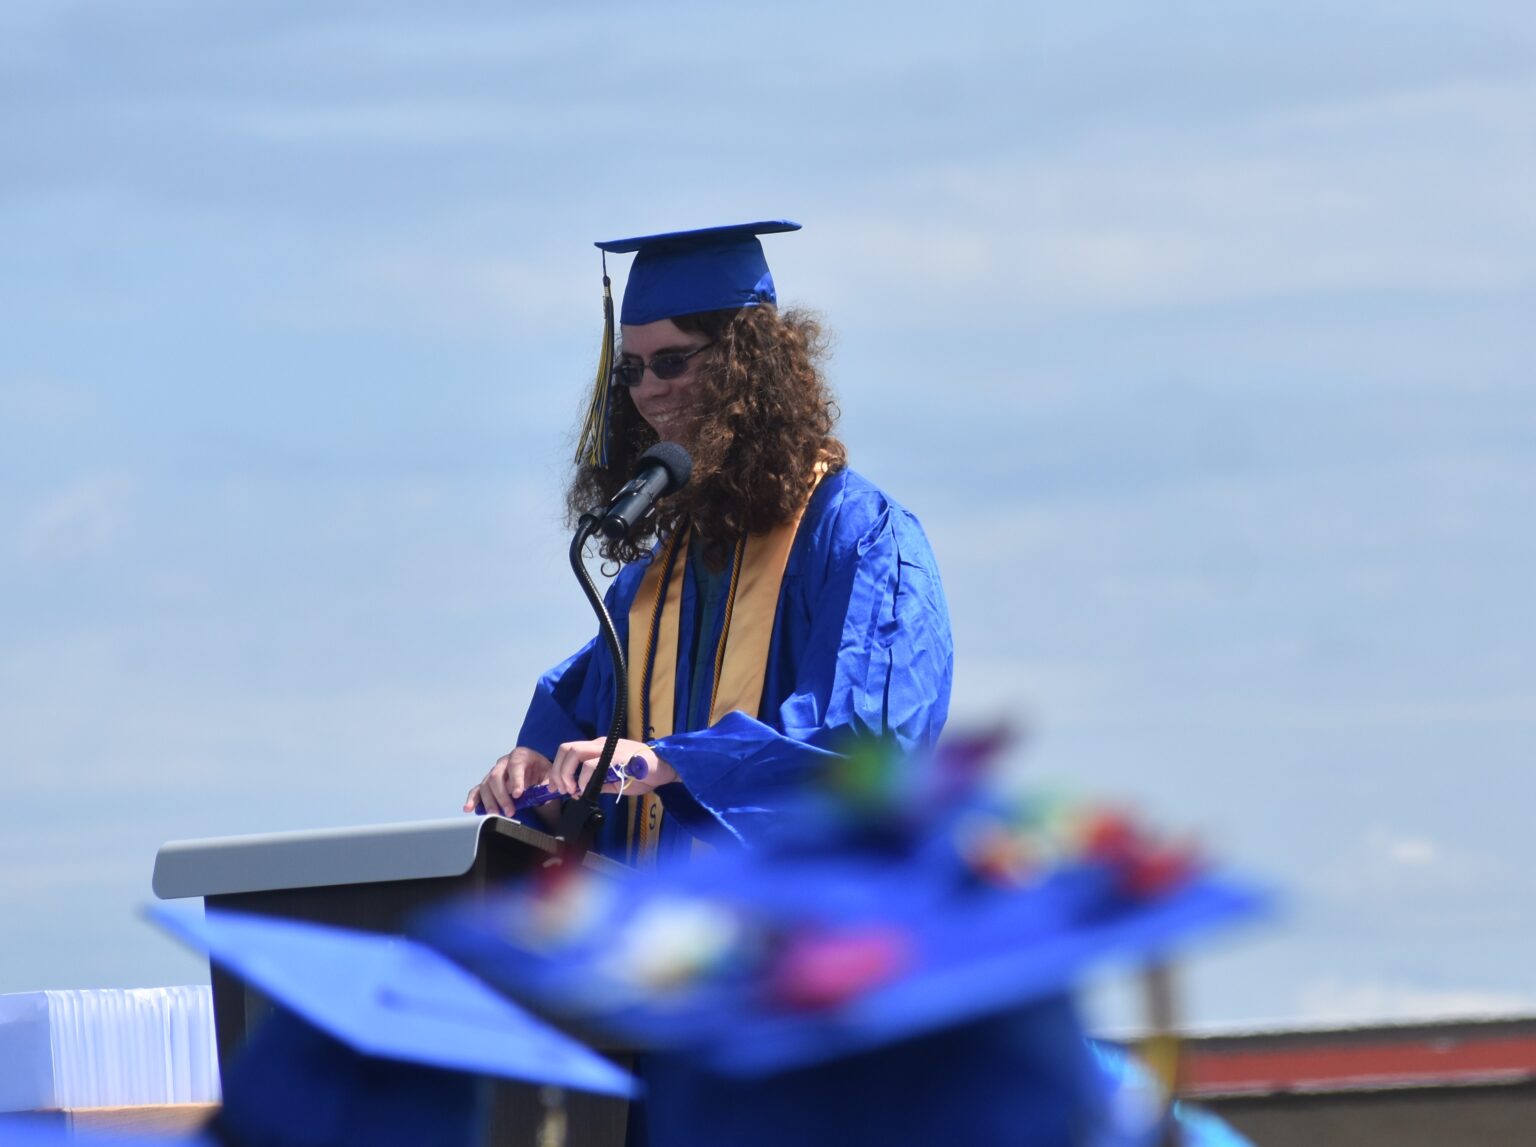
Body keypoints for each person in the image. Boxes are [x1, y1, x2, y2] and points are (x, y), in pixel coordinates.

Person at [464, 221, 953, 861]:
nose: (648, 390)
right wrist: (535, 783)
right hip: (650, 947)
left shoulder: (859, 536)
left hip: (796, 938)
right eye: (632, 369)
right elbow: (580, 736)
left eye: (672, 361)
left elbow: (869, 748)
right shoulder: (648, 588)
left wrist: (675, 763)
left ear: (745, 366)